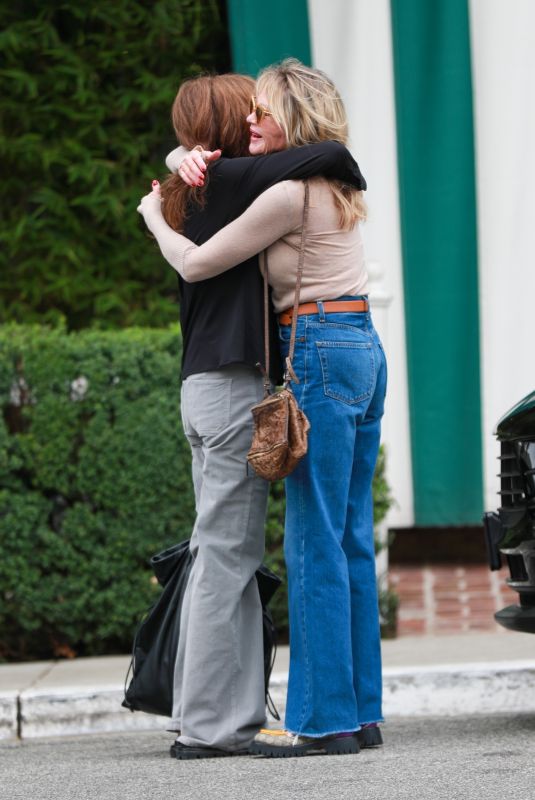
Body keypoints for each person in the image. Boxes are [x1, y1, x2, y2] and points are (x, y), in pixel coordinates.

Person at [139, 58, 387, 759]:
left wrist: (156, 211)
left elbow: (195, 258)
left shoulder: (284, 192)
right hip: (359, 345)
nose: (251, 120)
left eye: (264, 110)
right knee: (347, 540)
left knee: (312, 542)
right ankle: (358, 712)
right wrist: (179, 156)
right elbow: (212, 171)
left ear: (293, 121)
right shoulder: (325, 183)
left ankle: (322, 721)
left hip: (316, 349)